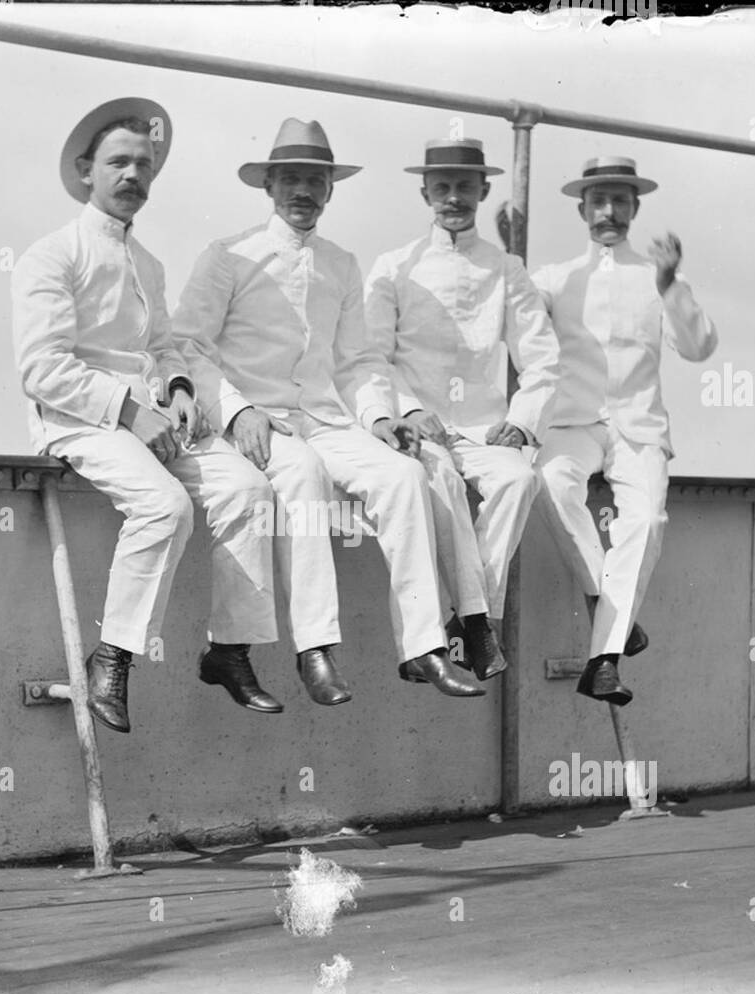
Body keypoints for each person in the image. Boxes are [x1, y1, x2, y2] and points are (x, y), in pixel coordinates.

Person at [172, 118, 483, 700]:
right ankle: (315, 650)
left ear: (331, 189)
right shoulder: (228, 255)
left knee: (404, 474)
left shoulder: (341, 263)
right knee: (303, 474)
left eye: (316, 181)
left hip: (322, 419)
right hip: (255, 422)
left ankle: (424, 649)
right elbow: (188, 345)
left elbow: (357, 362)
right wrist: (236, 410)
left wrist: (380, 419)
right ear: (269, 185)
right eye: (291, 179)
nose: (304, 193)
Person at [11, 97, 282, 734]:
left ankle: (230, 650)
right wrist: (131, 411)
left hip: (150, 420)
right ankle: (113, 658)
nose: (134, 175)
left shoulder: (149, 265)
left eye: (144, 164)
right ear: (86, 171)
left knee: (249, 487)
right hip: (78, 421)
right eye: (118, 163)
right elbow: (41, 368)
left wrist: (181, 387)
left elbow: (161, 347)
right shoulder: (51, 256)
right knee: (165, 508)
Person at [365, 137, 560, 680]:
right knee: (441, 484)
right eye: (443, 186)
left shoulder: (506, 269)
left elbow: (543, 360)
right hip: (419, 430)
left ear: (484, 190)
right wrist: (403, 410)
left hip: (483, 427)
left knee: (520, 481)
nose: (453, 197)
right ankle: (478, 628)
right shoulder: (393, 265)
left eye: (465, 187)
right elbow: (370, 357)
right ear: (425, 190)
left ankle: (469, 616)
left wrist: (521, 422)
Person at [527, 156, 718, 704]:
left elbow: (699, 348)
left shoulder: (656, 279)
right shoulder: (554, 278)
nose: (608, 211)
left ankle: (603, 661)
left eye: (620, 200)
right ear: (581, 208)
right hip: (574, 421)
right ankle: (610, 608)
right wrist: (510, 262)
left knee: (648, 519)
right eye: (598, 200)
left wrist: (670, 285)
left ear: (635, 207)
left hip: (638, 428)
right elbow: (515, 318)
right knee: (550, 484)